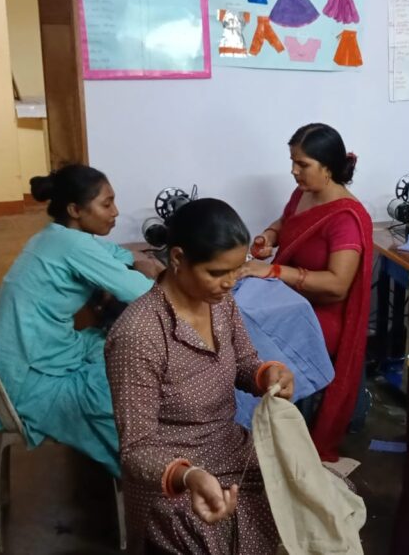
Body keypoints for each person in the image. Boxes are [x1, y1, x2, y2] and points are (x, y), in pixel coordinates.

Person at [105, 199, 295, 553]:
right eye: (217, 272)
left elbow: (243, 363)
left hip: (227, 447)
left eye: (237, 270)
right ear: (177, 259)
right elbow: (136, 450)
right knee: (204, 530)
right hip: (172, 474)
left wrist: (269, 374)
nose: (230, 283)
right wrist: (189, 476)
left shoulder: (220, 303)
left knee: (307, 489)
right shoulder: (139, 334)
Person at [0, 164, 161, 476]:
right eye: (106, 204)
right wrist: (152, 270)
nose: (116, 211)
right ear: (75, 210)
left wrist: (135, 260)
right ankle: (148, 472)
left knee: (120, 349)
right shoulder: (72, 245)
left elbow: (113, 255)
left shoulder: (55, 237)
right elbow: (143, 293)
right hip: (32, 375)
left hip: (30, 353)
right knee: (132, 384)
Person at [240, 123, 372, 463]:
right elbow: (286, 223)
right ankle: (235, 427)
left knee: (247, 338)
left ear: (327, 167)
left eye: (302, 165)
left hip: (320, 316)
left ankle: (254, 434)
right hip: (288, 300)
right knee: (233, 315)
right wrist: (268, 237)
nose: (293, 171)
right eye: (292, 162)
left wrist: (274, 271)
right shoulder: (304, 194)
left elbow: (337, 286)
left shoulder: (346, 218)